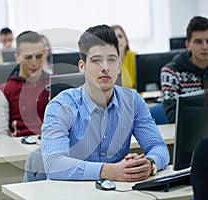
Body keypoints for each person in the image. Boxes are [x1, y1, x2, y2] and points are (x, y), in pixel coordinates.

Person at [41, 24, 170, 181]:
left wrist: (150, 164)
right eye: (96, 61)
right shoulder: (60, 106)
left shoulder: (133, 101)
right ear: (82, 66)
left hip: (118, 191)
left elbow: (158, 147)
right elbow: (54, 165)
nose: (105, 68)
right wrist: (108, 171)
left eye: (111, 60)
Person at [0, 31, 50, 139]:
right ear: (17, 57)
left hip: (54, 150)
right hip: (19, 151)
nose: (34, 63)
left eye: (39, 56)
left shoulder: (55, 84)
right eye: (28, 57)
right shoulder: (3, 91)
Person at [161, 16, 208, 123]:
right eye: (198, 42)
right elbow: (173, 117)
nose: (205, 47)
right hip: (191, 134)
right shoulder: (171, 73)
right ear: (188, 45)